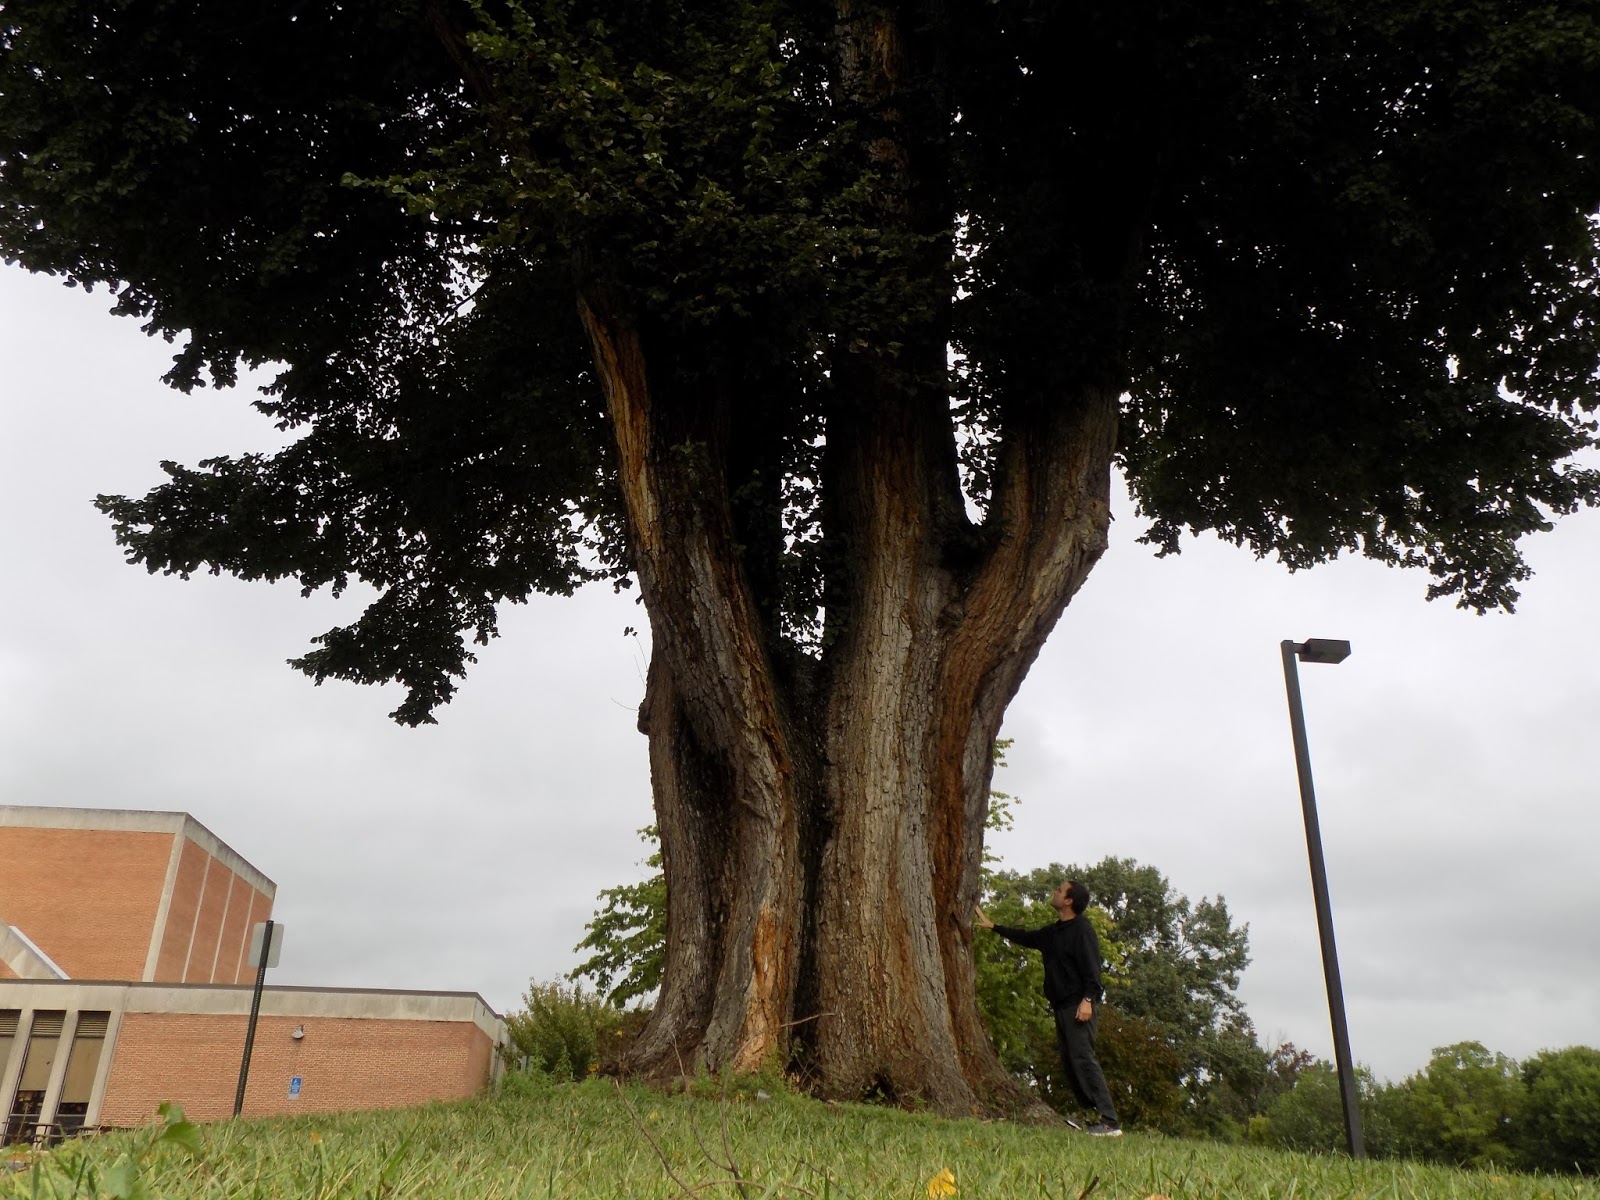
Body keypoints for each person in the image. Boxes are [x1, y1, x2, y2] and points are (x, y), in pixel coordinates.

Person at [975, 879, 1121, 1136]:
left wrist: (1088, 1000)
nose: (1055, 891)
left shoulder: (1082, 930)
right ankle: (1092, 1118)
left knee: (1083, 1060)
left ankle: (1110, 1122)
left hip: (1079, 1006)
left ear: (1069, 900)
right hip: (1061, 1006)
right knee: (1069, 1062)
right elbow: (1027, 937)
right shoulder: (1054, 933)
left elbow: (1093, 970)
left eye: (1060, 890)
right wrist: (993, 926)